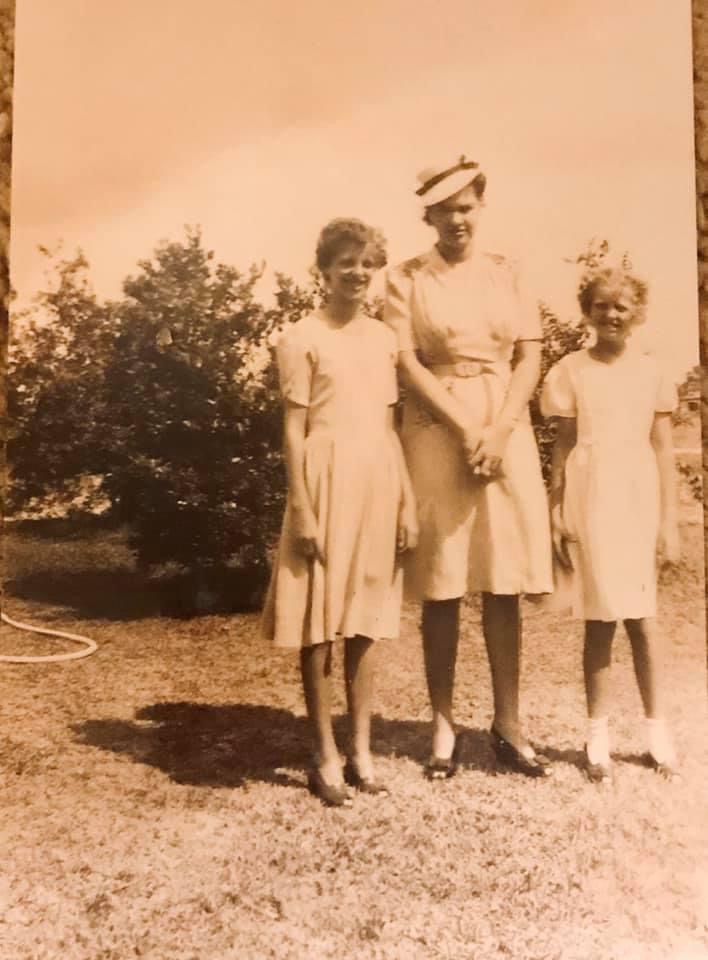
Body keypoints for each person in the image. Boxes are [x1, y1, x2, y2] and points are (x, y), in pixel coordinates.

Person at [384, 155, 553, 779]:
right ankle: (444, 726)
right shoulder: (405, 278)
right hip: (438, 428)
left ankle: (508, 724)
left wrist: (501, 428)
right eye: (446, 209)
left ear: (480, 208)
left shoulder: (509, 272)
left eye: (468, 207)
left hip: (503, 423)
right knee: (444, 580)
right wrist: (466, 428)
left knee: (503, 576)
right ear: (427, 215)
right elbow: (407, 363)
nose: (458, 219)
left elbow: (530, 357)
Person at [262, 218, 418, 806]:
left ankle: (361, 750)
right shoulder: (301, 337)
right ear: (323, 271)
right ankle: (323, 752)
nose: (357, 273)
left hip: (377, 480)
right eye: (345, 263)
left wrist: (404, 499)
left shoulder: (383, 339)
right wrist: (302, 508)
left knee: (366, 620)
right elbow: (294, 429)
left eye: (367, 264)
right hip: (324, 482)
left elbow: (388, 425)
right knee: (319, 624)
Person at [541, 260, 680, 783]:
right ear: (588, 312)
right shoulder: (571, 370)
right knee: (600, 618)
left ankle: (655, 729)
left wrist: (669, 521)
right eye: (601, 305)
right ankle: (596, 731)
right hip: (591, 493)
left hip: (637, 495)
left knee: (644, 620)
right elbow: (563, 446)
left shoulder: (652, 372)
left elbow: (663, 451)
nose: (612, 313)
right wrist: (556, 508)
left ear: (638, 313)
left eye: (621, 306)